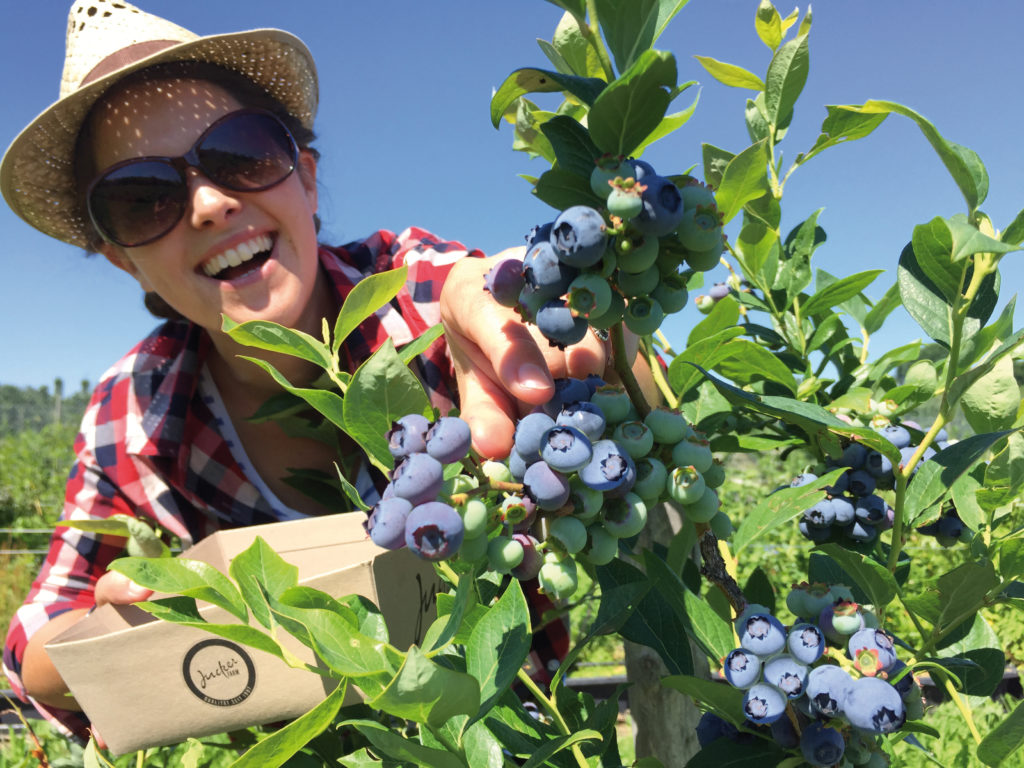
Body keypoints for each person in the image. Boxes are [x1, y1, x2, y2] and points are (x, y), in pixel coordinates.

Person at [1, 0, 647, 744]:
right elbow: (33, 645)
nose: (210, 204)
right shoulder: (134, 409)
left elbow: (507, 308)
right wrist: (131, 621)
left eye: (240, 154)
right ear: (123, 256)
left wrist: (551, 320)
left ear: (305, 179)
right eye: (143, 199)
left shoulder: (415, 302)